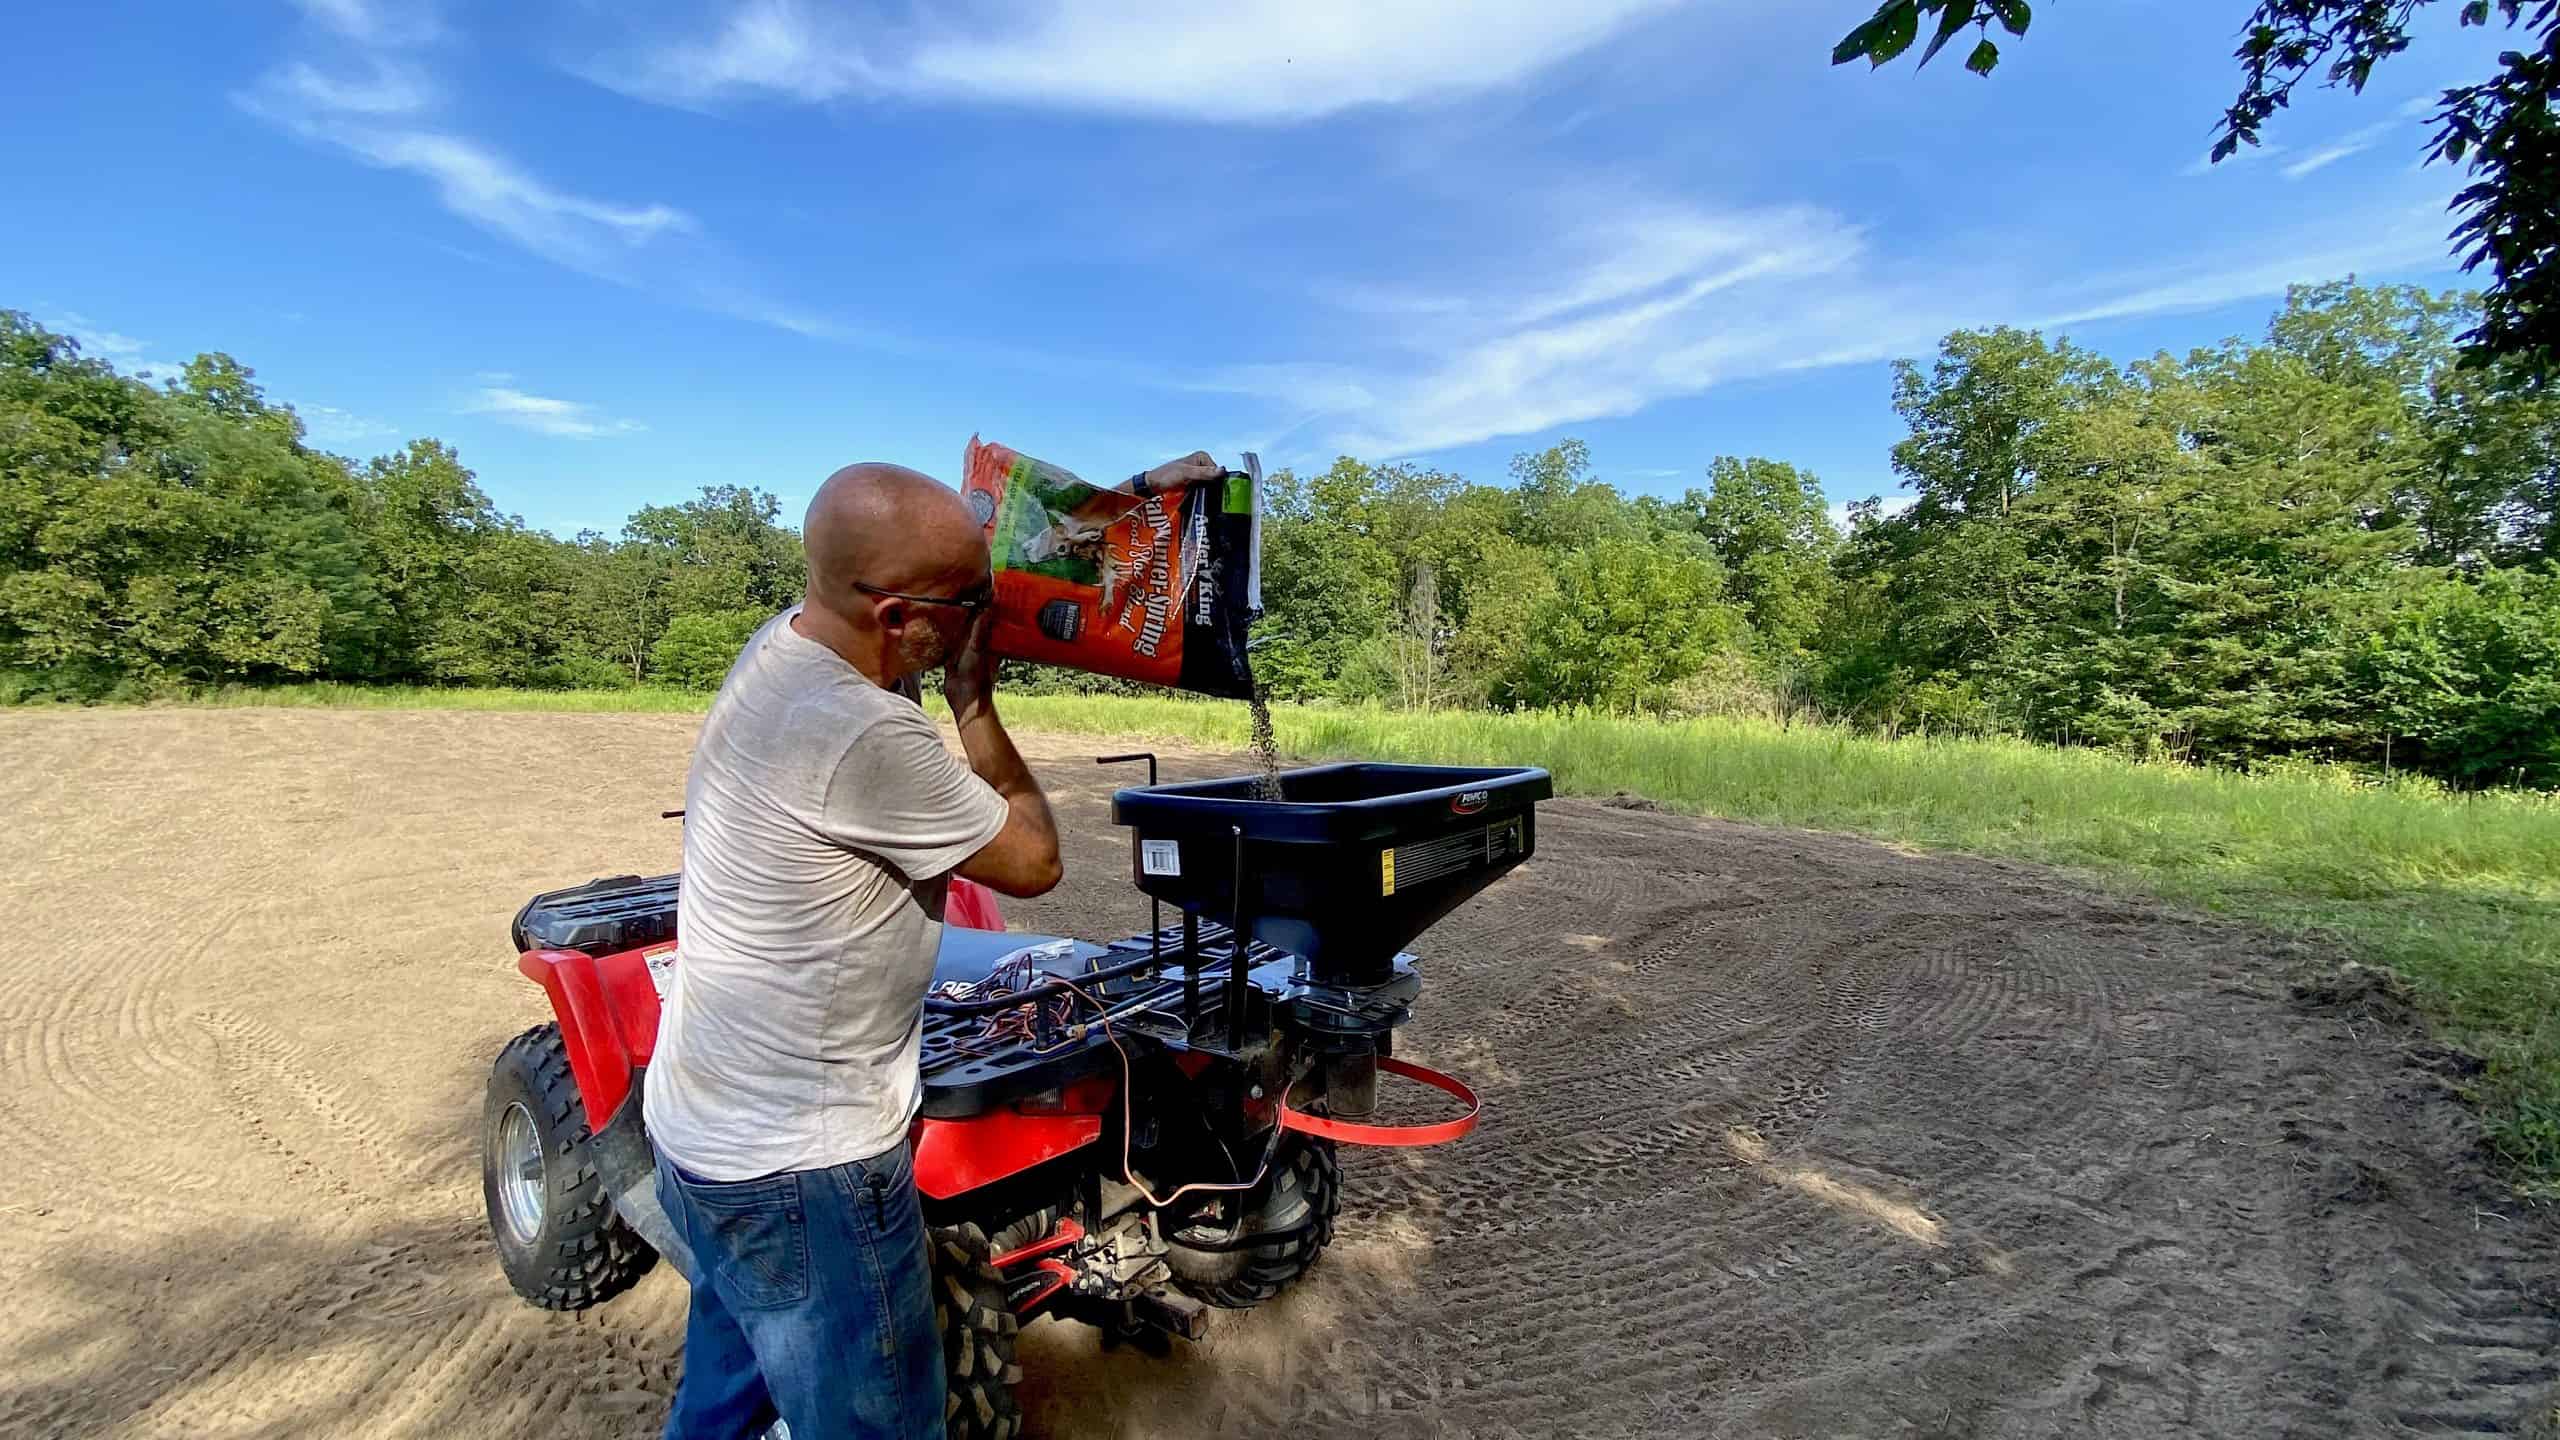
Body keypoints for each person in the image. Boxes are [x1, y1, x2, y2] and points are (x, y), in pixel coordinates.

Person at [642, 454, 1221, 1440]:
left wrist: (1122, 508)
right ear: (899, 619)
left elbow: (953, 572)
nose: (982, 620)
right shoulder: (858, 734)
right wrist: (974, 702)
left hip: (704, 1139)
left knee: (726, 1404)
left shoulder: (790, 644)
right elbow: (1032, 859)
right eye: (968, 605)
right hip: (804, 1170)